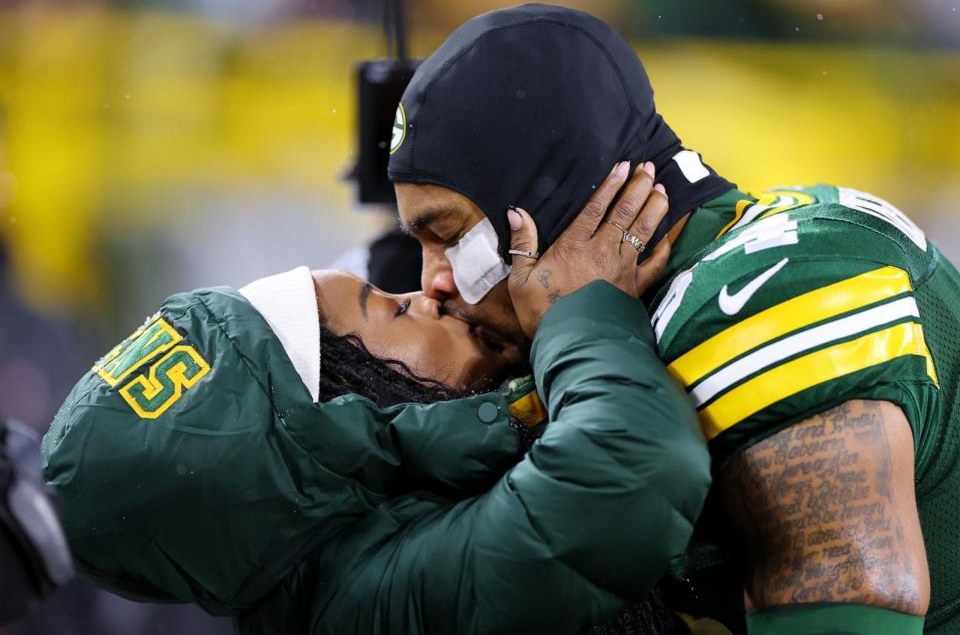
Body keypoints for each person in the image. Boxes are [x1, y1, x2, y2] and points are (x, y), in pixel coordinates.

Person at [387, 3, 959, 634]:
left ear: (546, 199)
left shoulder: (764, 294)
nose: (432, 283)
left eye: (449, 235)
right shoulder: (650, 314)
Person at [42, 175, 711, 633]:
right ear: (337, 410)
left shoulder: (343, 557)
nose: (430, 294)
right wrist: (585, 313)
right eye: (389, 308)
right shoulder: (368, 600)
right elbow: (634, 464)